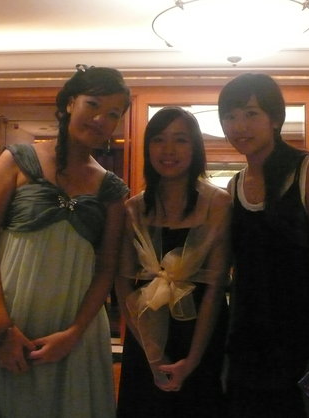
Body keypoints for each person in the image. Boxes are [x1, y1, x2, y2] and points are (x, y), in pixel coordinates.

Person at [0, 65, 131, 418]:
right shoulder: (16, 160)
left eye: (113, 113)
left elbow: (106, 268)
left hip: (73, 328)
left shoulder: (112, 190)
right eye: (93, 104)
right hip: (5, 316)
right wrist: (2, 329)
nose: (100, 119)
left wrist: (74, 333)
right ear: (70, 103)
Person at [218, 73, 309, 418]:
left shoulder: (305, 168)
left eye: (251, 114)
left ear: (275, 119)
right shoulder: (234, 186)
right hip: (249, 342)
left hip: (303, 338)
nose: (239, 126)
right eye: (230, 116)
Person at [115, 107, 232, 418]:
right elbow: (123, 282)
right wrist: (152, 354)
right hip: (145, 333)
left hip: (200, 332)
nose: (168, 150)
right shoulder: (133, 208)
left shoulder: (218, 203)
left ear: (195, 149)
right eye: (158, 139)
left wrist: (193, 359)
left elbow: (214, 289)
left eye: (180, 140)